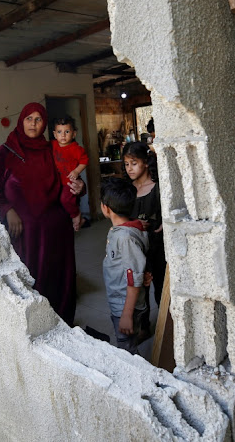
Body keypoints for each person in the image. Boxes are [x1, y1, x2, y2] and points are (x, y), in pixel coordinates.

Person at [0, 102, 81, 326]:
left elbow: (69, 177)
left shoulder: (53, 150)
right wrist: (8, 210)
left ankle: (62, 326)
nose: (33, 123)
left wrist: (78, 186)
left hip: (57, 233)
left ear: (44, 123)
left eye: (38, 119)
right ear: (21, 120)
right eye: (29, 118)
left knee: (58, 282)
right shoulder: (5, 153)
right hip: (25, 235)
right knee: (29, 280)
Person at [100, 178, 150, 354]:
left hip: (125, 305)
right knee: (127, 345)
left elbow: (134, 279)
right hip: (119, 300)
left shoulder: (125, 238)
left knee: (127, 351)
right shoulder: (122, 230)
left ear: (105, 208)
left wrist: (127, 315)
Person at [122, 141, 166, 306]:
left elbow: (166, 212)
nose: (129, 168)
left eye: (134, 163)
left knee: (160, 282)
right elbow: (119, 217)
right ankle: (142, 324)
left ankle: (165, 321)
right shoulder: (127, 190)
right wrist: (133, 223)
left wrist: (164, 224)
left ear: (146, 163)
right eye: (126, 164)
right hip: (135, 247)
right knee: (138, 285)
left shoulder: (158, 187)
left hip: (157, 245)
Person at [52, 116, 89, 231]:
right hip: (57, 182)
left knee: (65, 199)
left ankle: (76, 215)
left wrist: (77, 171)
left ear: (74, 134)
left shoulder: (76, 149)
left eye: (67, 132)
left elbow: (85, 161)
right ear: (54, 134)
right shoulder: (52, 145)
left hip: (69, 183)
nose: (63, 135)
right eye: (59, 132)